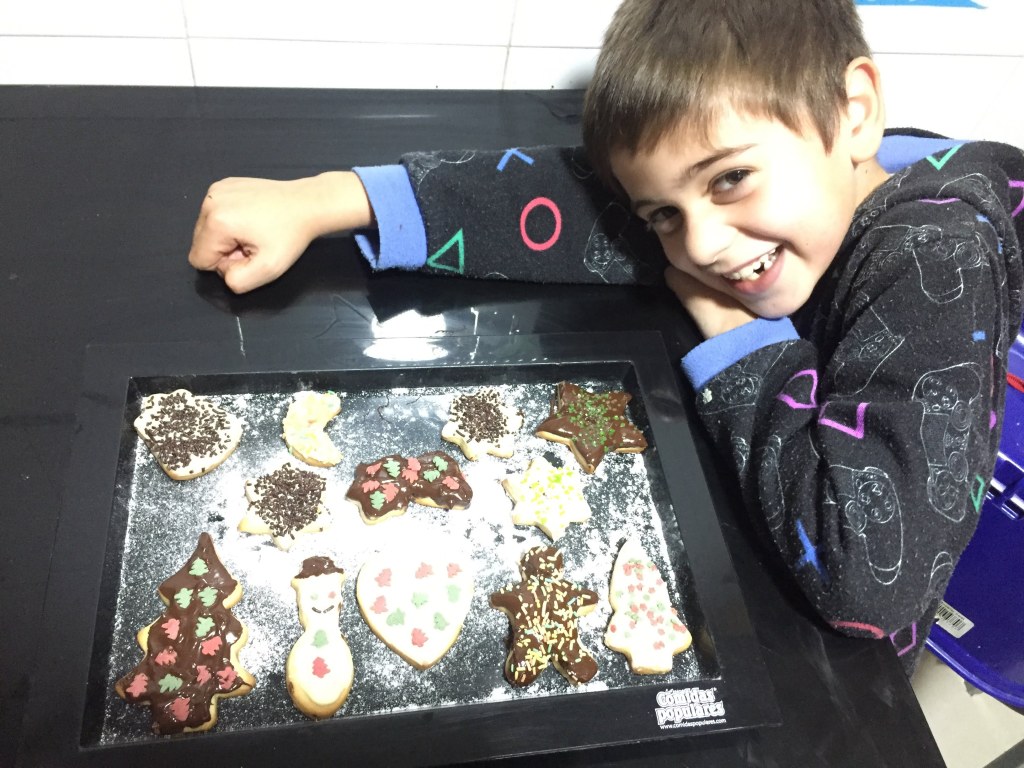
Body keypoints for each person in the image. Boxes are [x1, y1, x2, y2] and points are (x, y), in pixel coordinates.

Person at [188, 0, 1024, 674]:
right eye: (664, 216)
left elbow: (869, 585)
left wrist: (738, 336)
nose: (701, 246)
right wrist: (326, 200)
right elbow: (567, 202)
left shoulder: (935, 256)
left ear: (855, 112)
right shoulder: (777, 186)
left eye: (731, 179)